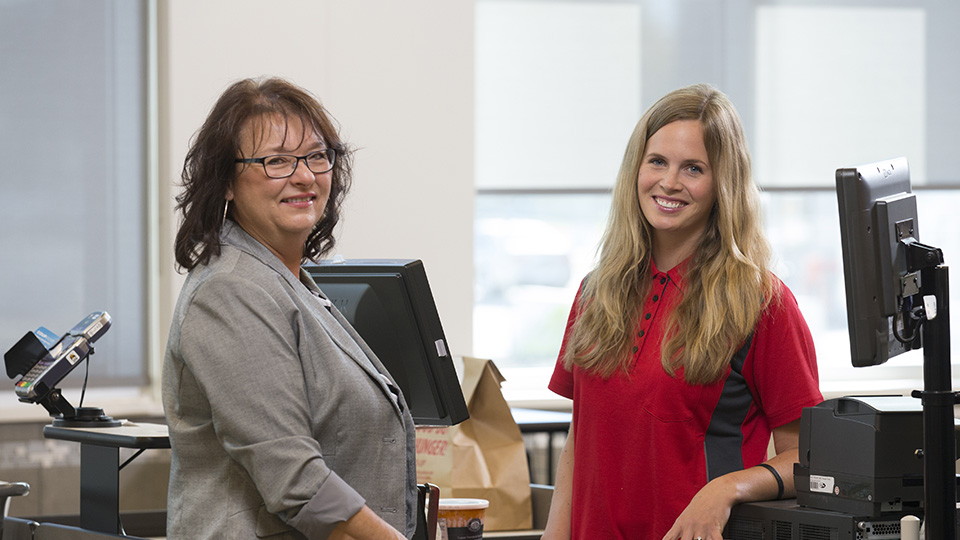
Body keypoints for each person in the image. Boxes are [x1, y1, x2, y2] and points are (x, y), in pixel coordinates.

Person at [541, 84, 822, 540]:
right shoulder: (596, 291)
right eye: (657, 161)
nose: (670, 182)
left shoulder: (761, 304)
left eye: (694, 168)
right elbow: (582, 436)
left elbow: (807, 461)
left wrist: (727, 489)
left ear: (723, 184)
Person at [162, 77, 416, 540]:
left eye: (316, 156)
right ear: (226, 182)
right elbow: (295, 479)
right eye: (276, 161)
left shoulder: (288, 281)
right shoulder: (231, 290)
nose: (304, 176)